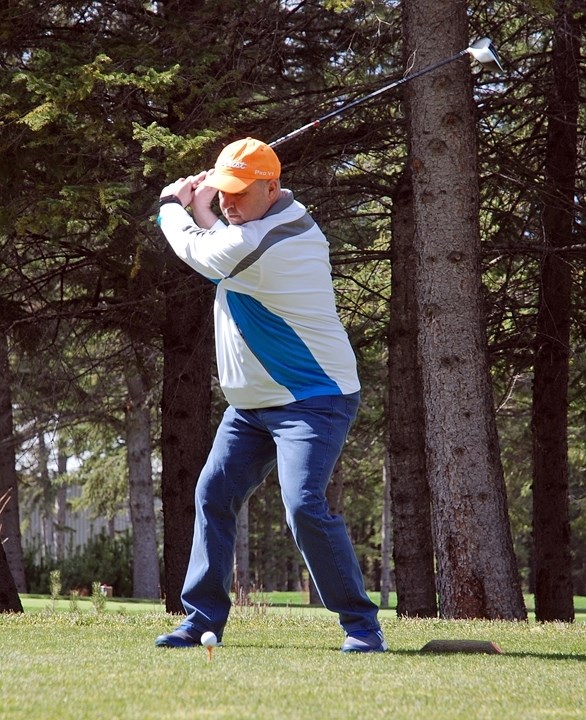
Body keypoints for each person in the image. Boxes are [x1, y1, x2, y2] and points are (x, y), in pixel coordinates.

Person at [155, 137, 386, 653]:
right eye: (223, 192)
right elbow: (228, 241)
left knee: (304, 506)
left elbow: (204, 252)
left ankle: (362, 627)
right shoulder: (263, 226)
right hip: (253, 406)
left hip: (313, 397)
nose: (229, 203)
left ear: (272, 188)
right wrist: (204, 208)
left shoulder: (279, 239)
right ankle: (199, 621)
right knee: (213, 495)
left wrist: (174, 207)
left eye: (238, 193)